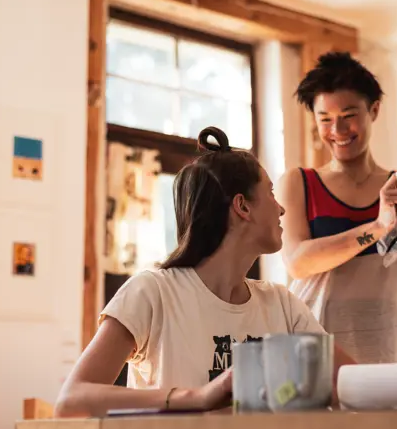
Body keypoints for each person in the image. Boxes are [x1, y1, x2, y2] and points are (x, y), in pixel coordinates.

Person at [55, 127, 355, 418]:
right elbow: (71, 401)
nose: (281, 210)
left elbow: (351, 386)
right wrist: (196, 397)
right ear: (242, 207)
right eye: (270, 193)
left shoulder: (282, 304)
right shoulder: (152, 292)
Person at [277, 52, 397, 365]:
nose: (337, 129)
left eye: (348, 115)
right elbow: (298, 263)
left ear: (373, 110)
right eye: (325, 119)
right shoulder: (299, 183)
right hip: (318, 348)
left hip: (386, 344)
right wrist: (377, 227)